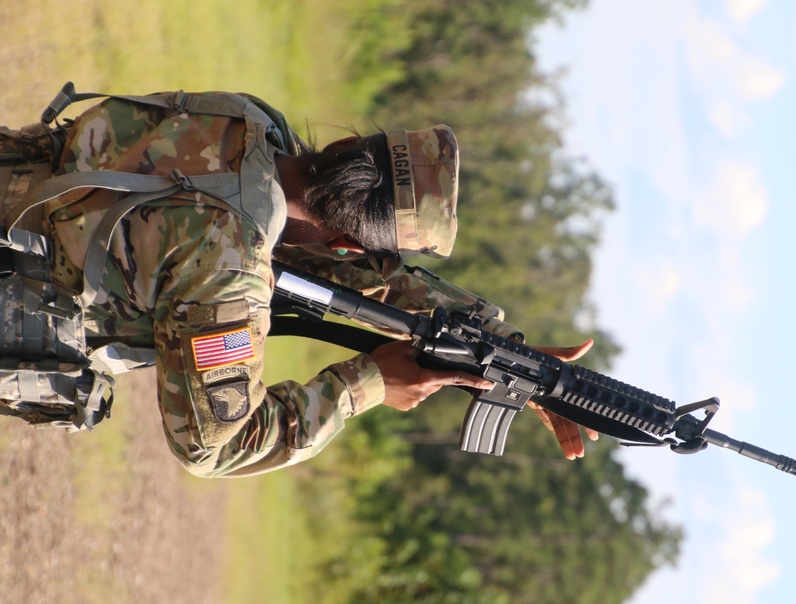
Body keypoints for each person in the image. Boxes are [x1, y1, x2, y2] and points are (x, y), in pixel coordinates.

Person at [38, 90, 595, 478]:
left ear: (343, 146)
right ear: (349, 246)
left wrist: (496, 343)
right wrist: (368, 384)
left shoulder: (249, 121)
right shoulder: (229, 273)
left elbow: (308, 245)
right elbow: (216, 448)